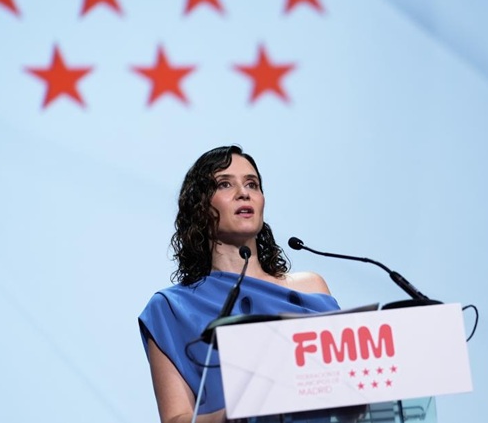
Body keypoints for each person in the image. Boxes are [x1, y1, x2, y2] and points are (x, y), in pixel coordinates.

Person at [138, 145, 340, 423]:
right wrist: (234, 415)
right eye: (225, 184)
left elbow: (348, 387)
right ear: (200, 207)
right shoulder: (171, 308)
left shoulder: (311, 288)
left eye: (252, 184)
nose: (244, 193)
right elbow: (176, 419)